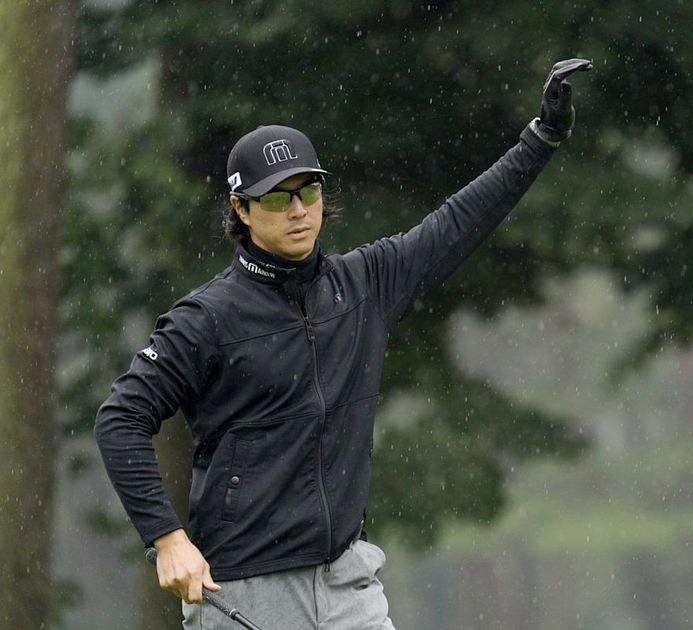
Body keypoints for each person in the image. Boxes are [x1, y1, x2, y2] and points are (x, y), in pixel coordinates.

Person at [94, 58, 592, 629]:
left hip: (347, 583)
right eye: (276, 198)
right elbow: (120, 418)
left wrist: (541, 138)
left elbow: (458, 222)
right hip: (245, 591)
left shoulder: (365, 284)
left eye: (308, 190)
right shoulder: (205, 318)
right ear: (241, 210)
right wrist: (167, 538)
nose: (298, 210)